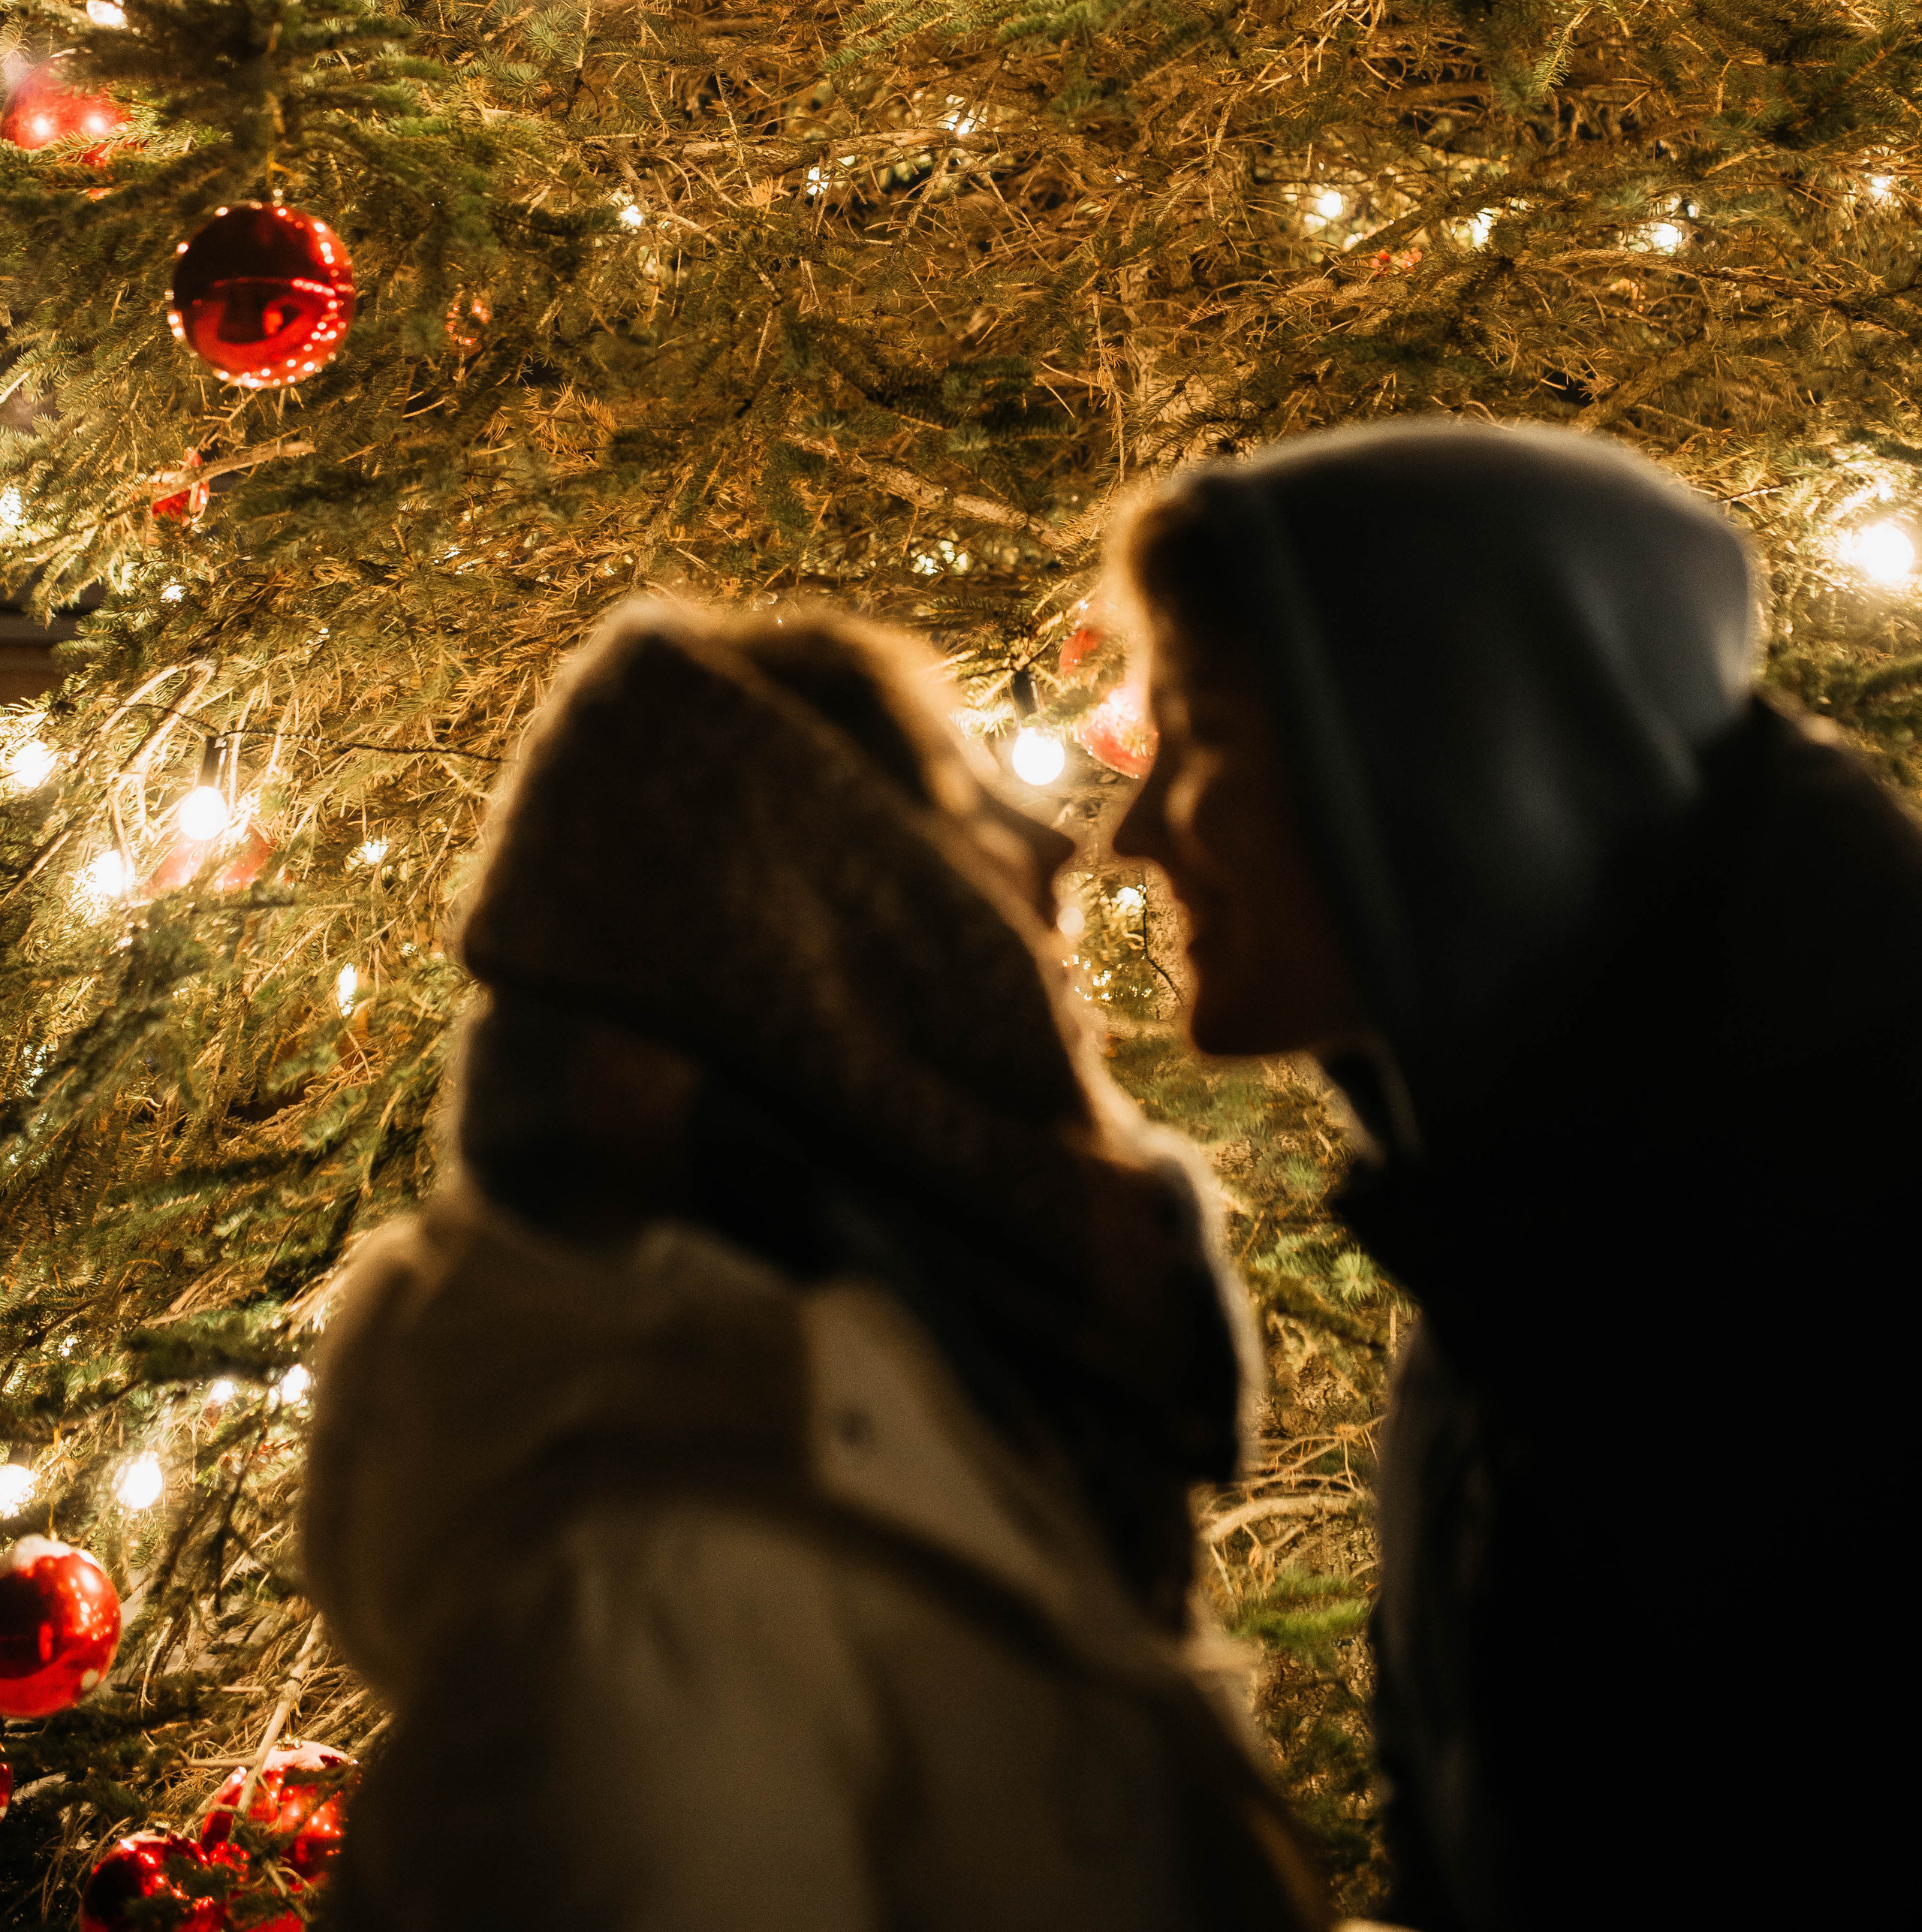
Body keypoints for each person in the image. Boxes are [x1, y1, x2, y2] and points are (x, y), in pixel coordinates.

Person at [302, 600, 1328, 1932]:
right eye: (962, 795)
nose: (1054, 843)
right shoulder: (655, 1600)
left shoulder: (912, 1416)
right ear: (798, 933)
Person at [1110, 419, 1918, 1932]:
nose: (1130, 829)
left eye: (1199, 729)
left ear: (1434, 745)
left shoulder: (1832, 1281)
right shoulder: (1519, 1241)